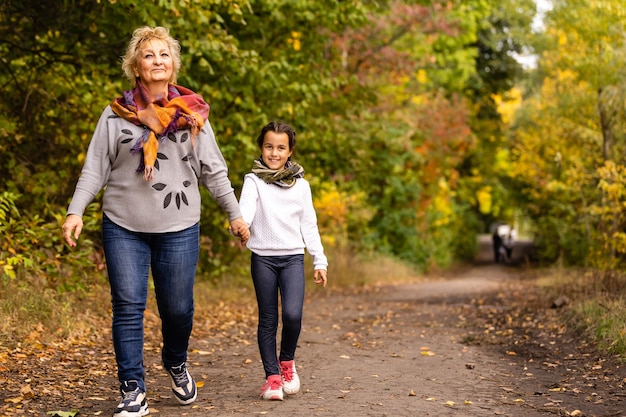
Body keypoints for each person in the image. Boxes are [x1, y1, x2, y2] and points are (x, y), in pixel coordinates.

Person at [61, 26, 249, 417]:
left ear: (173, 66)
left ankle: (175, 361)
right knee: (128, 305)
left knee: (177, 310)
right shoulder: (115, 116)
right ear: (136, 67)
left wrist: (234, 213)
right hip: (122, 224)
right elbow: (94, 170)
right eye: (149, 55)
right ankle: (132, 388)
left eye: (164, 55)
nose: (157, 61)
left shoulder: (194, 115)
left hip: (179, 226)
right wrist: (75, 210)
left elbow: (213, 171)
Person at [238, 121, 328, 401]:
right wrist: (241, 225)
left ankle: (287, 362)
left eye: (280, 148)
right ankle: (273, 378)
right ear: (261, 148)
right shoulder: (253, 181)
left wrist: (319, 260)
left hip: (291, 258)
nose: (274, 153)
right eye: (268, 146)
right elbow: (246, 211)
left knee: (292, 315)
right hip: (263, 259)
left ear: (289, 152)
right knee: (267, 320)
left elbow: (309, 224)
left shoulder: (302, 186)